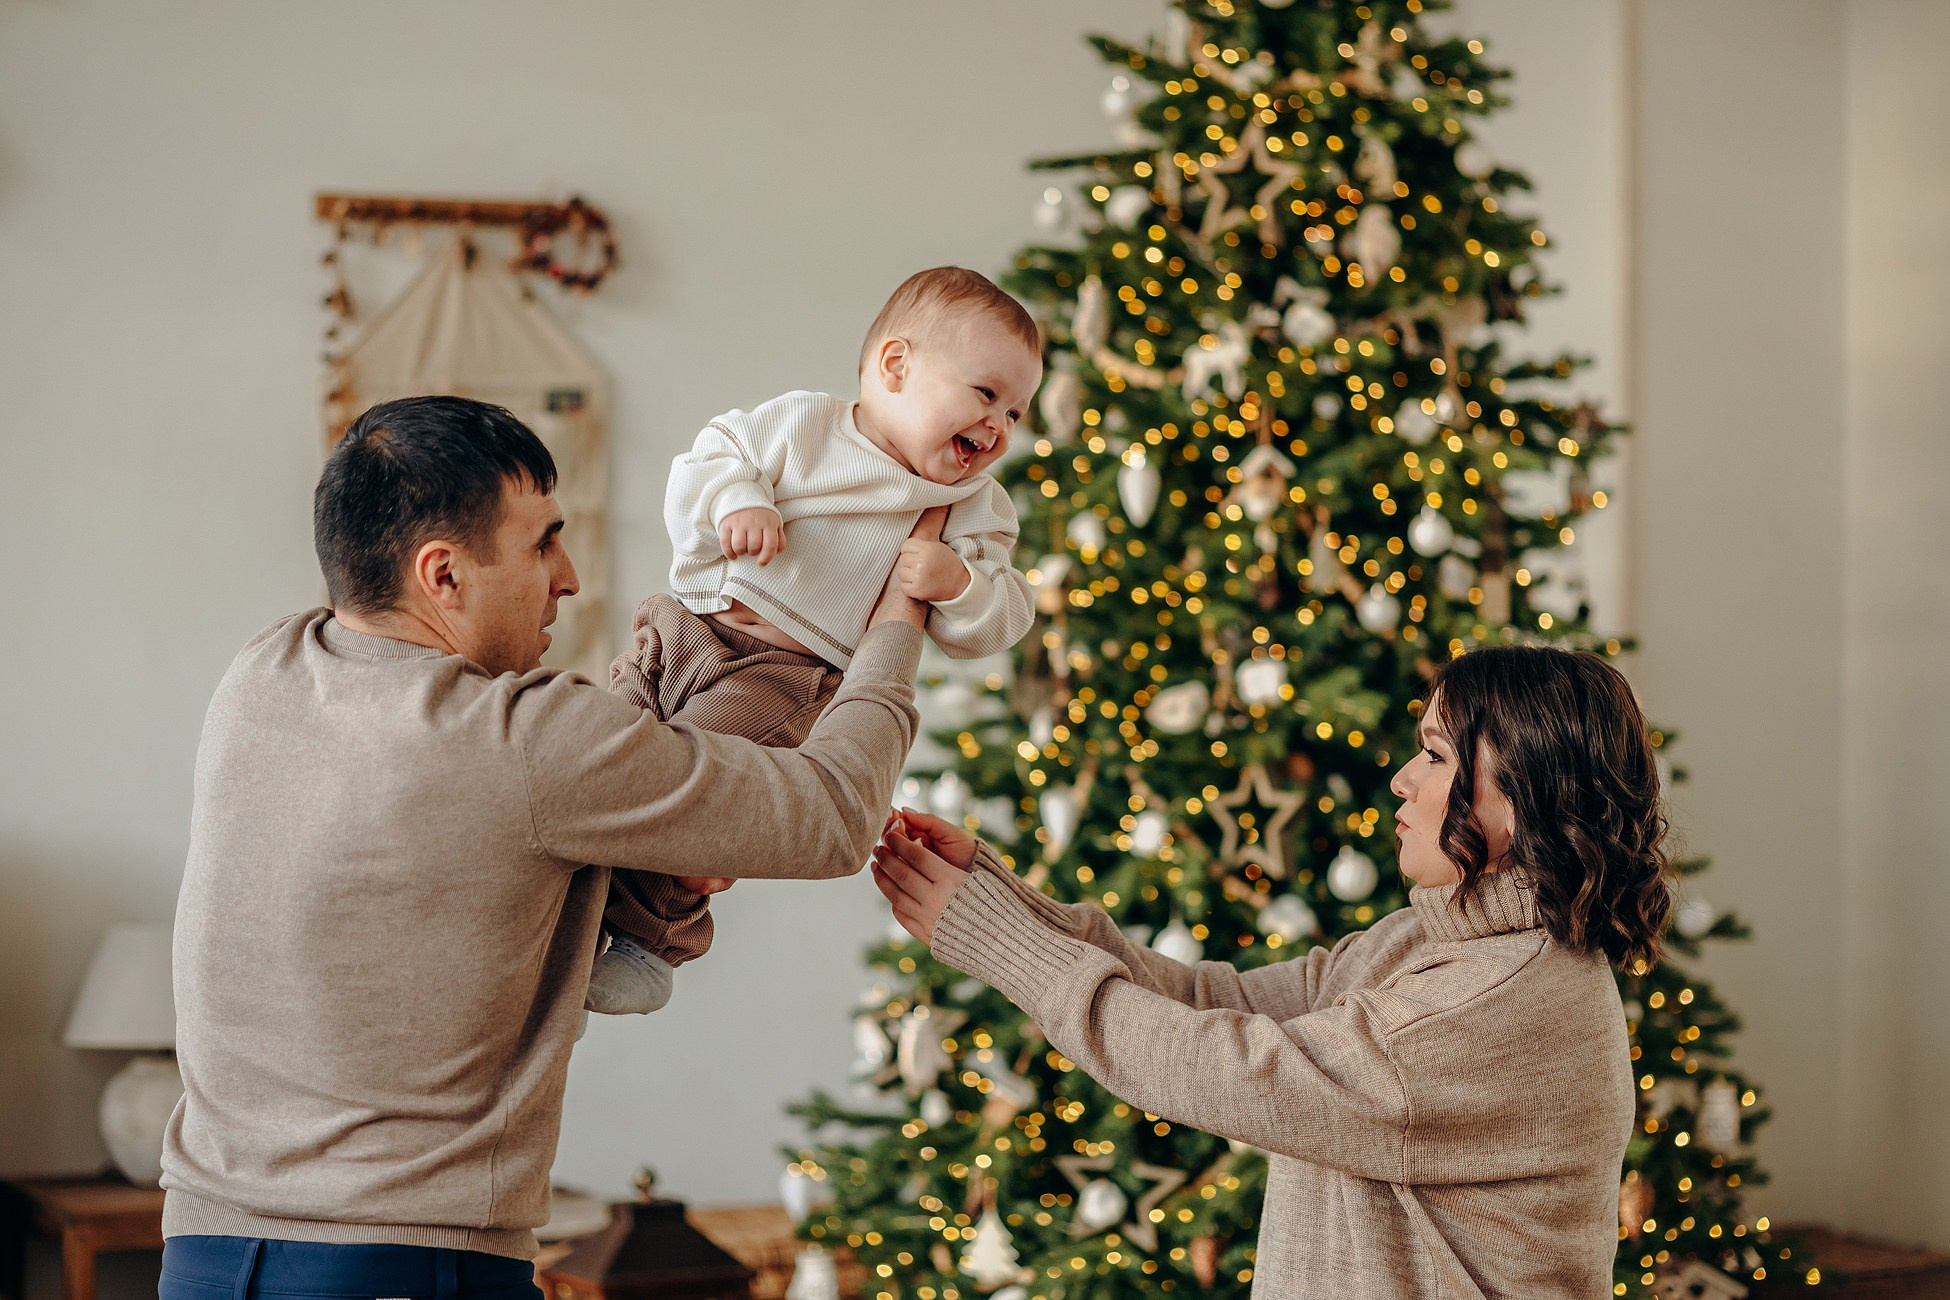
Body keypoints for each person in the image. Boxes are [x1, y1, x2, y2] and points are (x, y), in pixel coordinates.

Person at [160, 395, 933, 1300]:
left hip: (205, 1254)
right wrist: (895, 618)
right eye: (543, 542)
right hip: (404, 1264)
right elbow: (833, 815)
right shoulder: (525, 738)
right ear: (442, 574)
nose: (568, 576)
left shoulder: (261, 674)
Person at [872, 645, 1668, 1299]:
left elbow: (1229, 1069)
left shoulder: (1493, 1001)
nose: (1403, 778)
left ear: (1525, 795)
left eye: (1434, 754)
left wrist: (998, 940)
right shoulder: (1433, 945)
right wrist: (1000, 896)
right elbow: (1220, 1002)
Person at [585, 266, 1041, 1014]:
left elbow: (1003, 615)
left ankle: (652, 942)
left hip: (781, 674)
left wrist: (960, 583)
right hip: (686, 623)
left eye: (1019, 413)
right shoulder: (803, 424)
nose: (999, 428)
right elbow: (713, 456)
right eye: (987, 394)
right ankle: (558, 933)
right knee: (602, 753)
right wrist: (740, 498)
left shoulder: (970, 506)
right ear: (897, 367)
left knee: (682, 785)